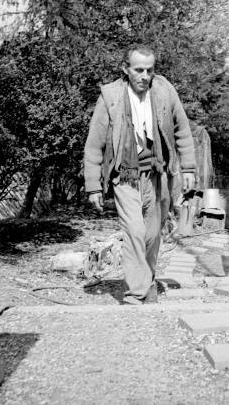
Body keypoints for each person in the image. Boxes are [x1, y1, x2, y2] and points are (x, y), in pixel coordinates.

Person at [84, 45, 196, 304]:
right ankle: (138, 293)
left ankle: (146, 280)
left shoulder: (164, 91)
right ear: (126, 69)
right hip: (125, 176)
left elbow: (182, 130)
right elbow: (94, 144)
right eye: (139, 70)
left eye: (149, 70)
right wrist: (93, 186)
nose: (145, 75)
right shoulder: (110, 96)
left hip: (157, 175)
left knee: (152, 233)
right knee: (134, 230)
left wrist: (188, 169)